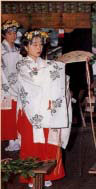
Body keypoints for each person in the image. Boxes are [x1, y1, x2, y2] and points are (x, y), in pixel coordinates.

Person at [16, 30, 72, 187]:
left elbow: (58, 77)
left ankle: (48, 175)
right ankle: (31, 177)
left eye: (41, 44)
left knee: (48, 144)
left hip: (47, 110)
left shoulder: (47, 64)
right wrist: (53, 70)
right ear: (26, 47)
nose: (39, 47)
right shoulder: (22, 64)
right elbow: (33, 80)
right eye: (34, 44)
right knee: (30, 145)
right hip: (30, 110)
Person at [1, 20, 22, 151]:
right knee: (8, 112)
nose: (13, 35)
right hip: (4, 84)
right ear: (4, 35)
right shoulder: (1, 49)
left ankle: (17, 138)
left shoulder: (16, 48)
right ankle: (11, 140)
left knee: (16, 111)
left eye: (15, 33)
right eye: (10, 33)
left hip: (16, 83)